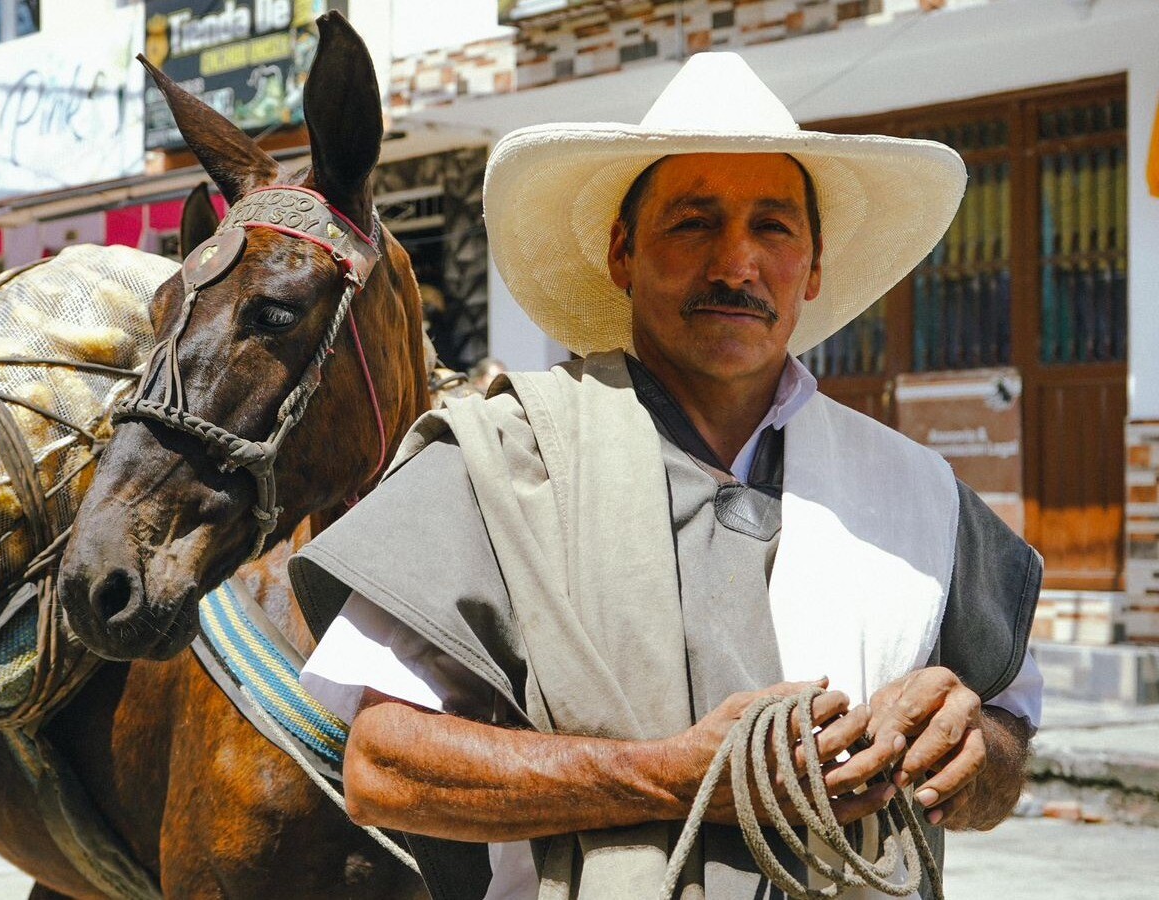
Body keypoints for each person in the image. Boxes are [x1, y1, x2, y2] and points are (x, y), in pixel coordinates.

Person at [289, 53, 1041, 900]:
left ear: (814, 268)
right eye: (693, 222)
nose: (736, 264)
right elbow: (383, 768)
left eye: (774, 228)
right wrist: (669, 778)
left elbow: (1007, 744)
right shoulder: (503, 459)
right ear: (623, 252)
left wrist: (971, 751)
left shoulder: (915, 491)